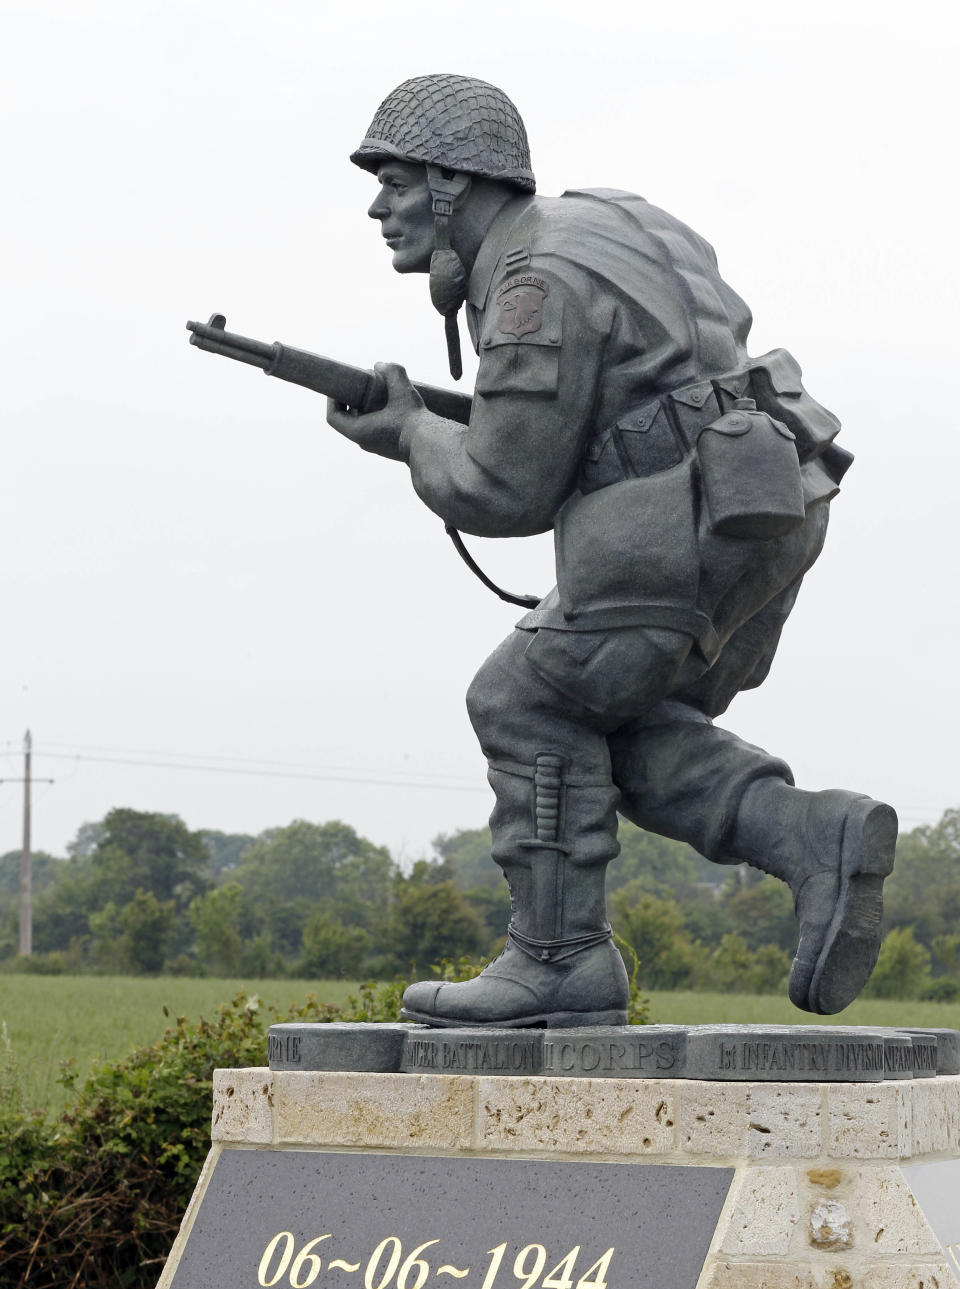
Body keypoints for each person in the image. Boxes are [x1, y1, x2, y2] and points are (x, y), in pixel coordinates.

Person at [327, 73, 897, 1025]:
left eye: (392, 179)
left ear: (450, 181)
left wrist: (411, 433)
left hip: (670, 514)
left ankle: (557, 959)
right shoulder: (608, 218)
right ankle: (812, 835)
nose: (377, 206)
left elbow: (500, 488)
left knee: (522, 698)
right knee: (607, 722)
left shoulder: (530, 281)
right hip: (768, 497)